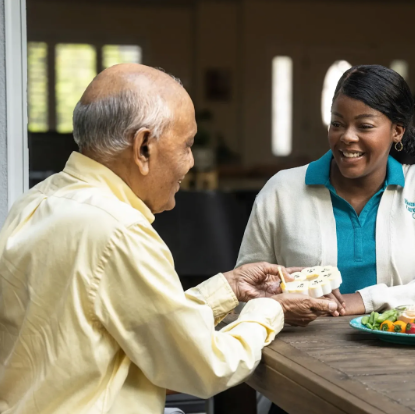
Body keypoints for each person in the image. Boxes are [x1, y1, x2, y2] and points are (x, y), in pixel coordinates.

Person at [0, 64, 338, 414]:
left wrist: (229, 286)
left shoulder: (38, 200)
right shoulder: (119, 231)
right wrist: (269, 310)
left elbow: (143, 319)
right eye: (187, 146)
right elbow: (206, 366)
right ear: (144, 147)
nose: (191, 163)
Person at [237, 64, 415, 317]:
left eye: (364, 126)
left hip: (402, 352)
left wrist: (366, 300)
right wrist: (280, 305)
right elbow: (244, 293)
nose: (347, 137)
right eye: (337, 124)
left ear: (397, 131)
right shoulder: (281, 191)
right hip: (301, 348)